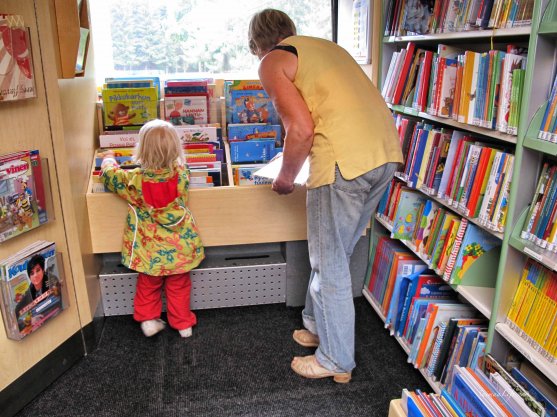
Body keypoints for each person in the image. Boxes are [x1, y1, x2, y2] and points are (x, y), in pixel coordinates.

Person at [248, 9, 403, 383]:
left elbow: (300, 130)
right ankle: (318, 327)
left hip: (343, 163)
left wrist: (285, 177)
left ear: (256, 44)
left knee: (329, 260)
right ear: (289, 31)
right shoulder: (324, 48)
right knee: (337, 252)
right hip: (383, 154)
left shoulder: (273, 61)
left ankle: (335, 359)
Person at [101, 119, 205, 338]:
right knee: (179, 285)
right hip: (179, 247)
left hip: (149, 250)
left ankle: (148, 319)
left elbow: (110, 177)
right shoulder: (182, 174)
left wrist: (108, 159)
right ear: (176, 148)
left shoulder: (134, 180)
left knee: (148, 284)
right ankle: (183, 323)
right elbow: (178, 167)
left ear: (141, 149)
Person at [15, 254, 60, 331]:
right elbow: (14, 317)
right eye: (32, 273)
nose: (35, 275)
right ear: (29, 277)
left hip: (57, 322)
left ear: (43, 270)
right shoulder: (28, 294)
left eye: (38, 270)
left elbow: (60, 300)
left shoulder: (52, 280)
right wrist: (30, 321)